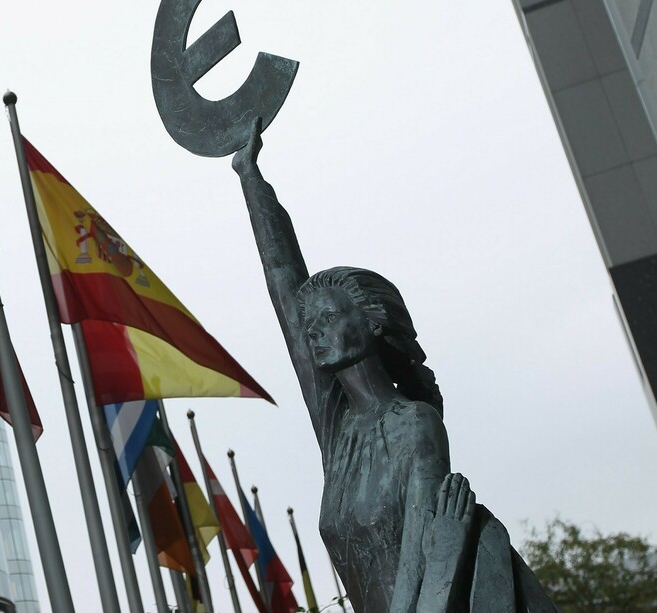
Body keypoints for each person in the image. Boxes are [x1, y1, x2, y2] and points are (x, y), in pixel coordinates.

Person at [232, 119, 557, 613]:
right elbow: (285, 293)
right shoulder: (340, 430)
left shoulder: (416, 427)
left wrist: (445, 550)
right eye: (309, 323)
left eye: (327, 317)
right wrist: (250, 180)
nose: (312, 331)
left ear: (374, 323)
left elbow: (421, 575)